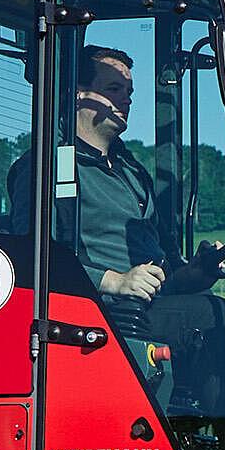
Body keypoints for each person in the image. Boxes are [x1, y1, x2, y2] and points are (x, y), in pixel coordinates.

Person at [67, 47, 166, 325]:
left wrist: (197, 271)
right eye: (114, 88)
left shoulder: (133, 172)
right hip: (103, 314)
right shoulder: (49, 169)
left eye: (129, 92)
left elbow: (160, 258)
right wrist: (114, 281)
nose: (126, 99)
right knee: (211, 315)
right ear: (78, 92)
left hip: (148, 304)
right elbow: (37, 256)